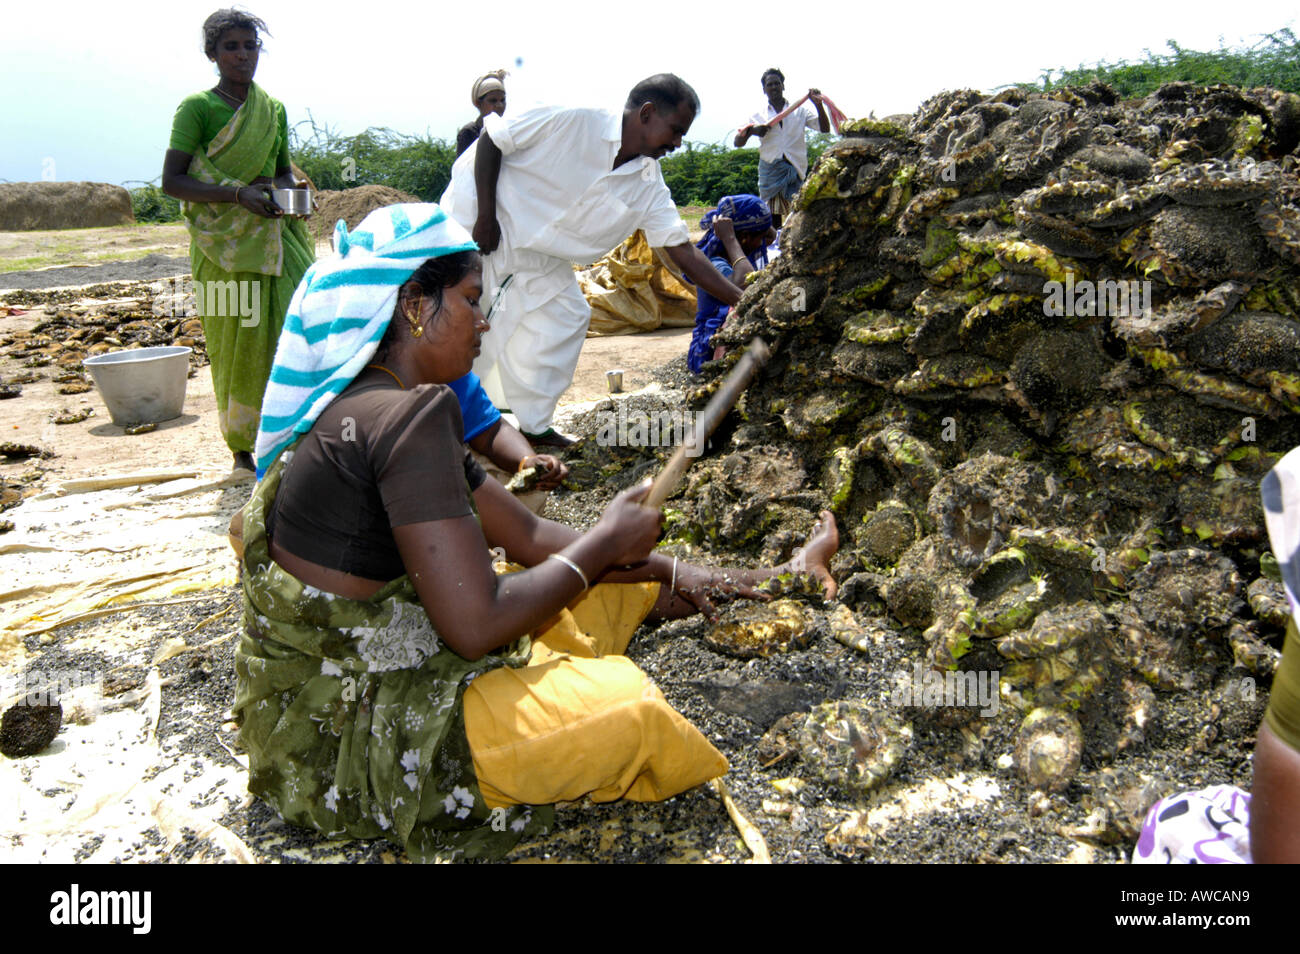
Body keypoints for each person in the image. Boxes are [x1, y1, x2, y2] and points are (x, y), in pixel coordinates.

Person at [238, 203, 839, 861]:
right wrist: (607, 542)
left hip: (372, 666)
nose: (484, 319)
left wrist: (726, 574)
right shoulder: (399, 422)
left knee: (606, 588)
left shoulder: (385, 406)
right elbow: (473, 629)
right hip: (349, 733)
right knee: (629, 711)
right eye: (470, 299)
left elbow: (528, 537)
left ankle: (776, 582)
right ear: (414, 306)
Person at [441, 73, 747, 448]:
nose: (678, 143)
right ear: (647, 113)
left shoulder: (648, 182)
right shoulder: (575, 118)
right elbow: (492, 140)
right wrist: (485, 216)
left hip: (539, 250)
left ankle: (533, 426)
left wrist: (742, 301)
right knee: (475, 323)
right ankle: (447, 420)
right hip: (488, 225)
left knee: (566, 315)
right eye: (675, 130)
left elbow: (683, 252)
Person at [162, 9, 314, 474]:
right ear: (213, 54)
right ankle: (244, 447)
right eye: (232, 46)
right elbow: (172, 181)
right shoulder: (197, 109)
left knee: (293, 330)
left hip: (275, 236)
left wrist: (298, 189)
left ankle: (293, 433)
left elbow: (283, 169)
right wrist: (235, 195)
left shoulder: (273, 109)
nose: (243, 55)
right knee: (236, 339)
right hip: (223, 246)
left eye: (250, 46)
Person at [687, 195, 775, 374]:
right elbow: (744, 289)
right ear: (743, 238)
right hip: (711, 348)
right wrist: (730, 239)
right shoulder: (715, 264)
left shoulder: (747, 248)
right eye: (760, 237)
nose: (763, 243)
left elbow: (772, 235)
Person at [733, 68, 829, 229]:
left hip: (795, 168)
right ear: (764, 89)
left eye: (777, 83)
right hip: (771, 170)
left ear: (783, 86)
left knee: (799, 214)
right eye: (769, 85)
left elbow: (824, 128)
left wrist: (818, 105)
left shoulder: (799, 110)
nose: (774, 87)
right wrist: (752, 131)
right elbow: (738, 141)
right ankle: (776, 249)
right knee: (772, 217)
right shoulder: (758, 116)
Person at [455, 70, 508, 158]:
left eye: (502, 100)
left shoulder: (506, 130)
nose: (499, 105)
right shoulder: (469, 132)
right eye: (493, 101)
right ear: (478, 103)